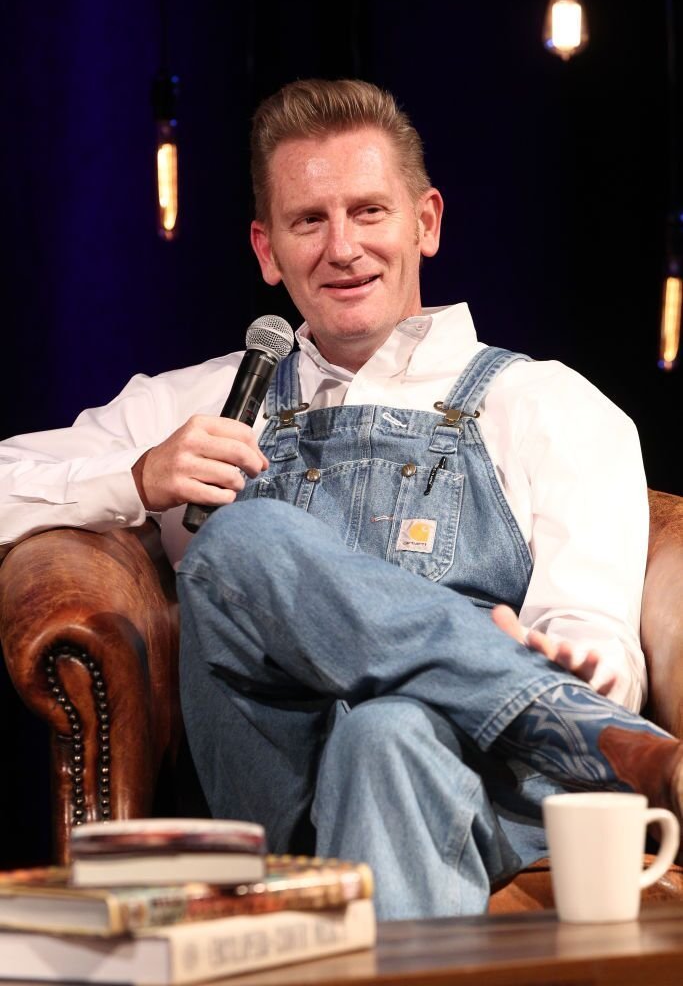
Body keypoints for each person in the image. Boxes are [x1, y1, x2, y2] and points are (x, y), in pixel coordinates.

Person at [0, 78, 681, 921]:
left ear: (424, 222)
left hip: (481, 789)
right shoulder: (205, 400)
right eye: (308, 221)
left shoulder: (546, 403)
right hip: (274, 788)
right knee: (239, 539)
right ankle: (579, 730)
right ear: (265, 247)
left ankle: (540, 708)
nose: (342, 247)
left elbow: (593, 627)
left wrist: (565, 659)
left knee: (386, 730)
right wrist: (134, 479)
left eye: (368, 212)